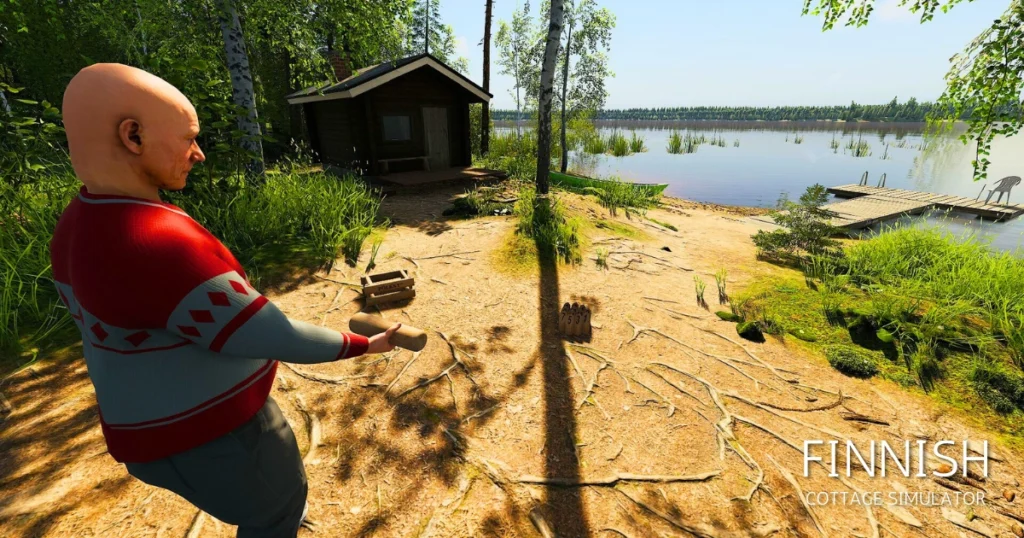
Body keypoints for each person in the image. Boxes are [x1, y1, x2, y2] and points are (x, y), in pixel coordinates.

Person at [51, 63, 400, 538]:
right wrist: (366, 345)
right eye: (188, 138)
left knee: (260, 506)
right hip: (217, 434)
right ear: (133, 137)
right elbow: (274, 334)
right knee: (276, 508)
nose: (198, 154)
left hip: (141, 430)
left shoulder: (77, 221)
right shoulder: (156, 242)